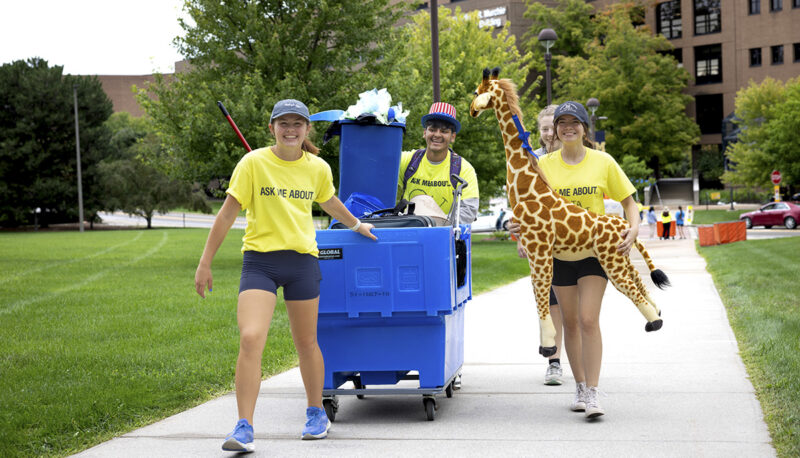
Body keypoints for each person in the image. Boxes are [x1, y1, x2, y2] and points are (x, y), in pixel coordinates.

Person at [194, 99, 377, 452]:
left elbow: (329, 200)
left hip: (302, 264)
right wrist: (205, 262)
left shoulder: (318, 168)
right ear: (272, 128)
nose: (290, 129)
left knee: (306, 343)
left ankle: (315, 413)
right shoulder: (253, 163)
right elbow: (227, 214)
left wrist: (356, 224)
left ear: (307, 129)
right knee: (250, 337)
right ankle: (244, 426)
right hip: (260, 262)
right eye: (283, 123)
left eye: (297, 124)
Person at [534, 101, 639, 419]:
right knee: (570, 322)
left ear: (584, 127)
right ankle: (579, 386)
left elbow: (628, 202)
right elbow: (533, 207)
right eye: (562, 122)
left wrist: (633, 228)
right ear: (555, 129)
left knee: (589, 319)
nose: (568, 127)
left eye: (574, 122)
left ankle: (593, 393)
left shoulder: (603, 162)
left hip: (595, 250)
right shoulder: (545, 165)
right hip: (560, 253)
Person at [516, 104, 565, 386]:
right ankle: (554, 361)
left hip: (571, 241)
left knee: (574, 308)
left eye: (553, 127)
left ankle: (582, 361)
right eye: (544, 128)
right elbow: (526, 205)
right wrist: (523, 237)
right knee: (548, 303)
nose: (549, 134)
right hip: (543, 244)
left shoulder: (574, 161)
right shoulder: (533, 161)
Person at [398, 102, 479, 223]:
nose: (437, 135)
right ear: (425, 133)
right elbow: (381, 169)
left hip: (444, 236)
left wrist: (436, 224)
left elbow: (468, 211)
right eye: (432, 129)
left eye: (444, 131)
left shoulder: (464, 169)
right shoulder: (407, 160)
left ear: (452, 137)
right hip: (409, 233)